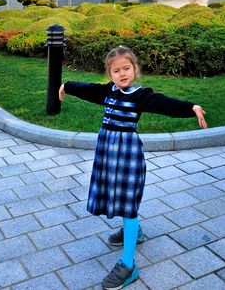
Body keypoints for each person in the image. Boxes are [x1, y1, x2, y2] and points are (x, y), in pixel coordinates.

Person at [59, 45, 207, 290]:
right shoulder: (109, 92)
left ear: (135, 69)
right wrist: (67, 86)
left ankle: (128, 265)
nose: (122, 73)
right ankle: (134, 234)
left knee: (128, 204)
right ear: (110, 74)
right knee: (114, 195)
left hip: (127, 154)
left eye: (126, 68)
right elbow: (88, 89)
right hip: (107, 153)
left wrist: (190, 107)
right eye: (116, 70)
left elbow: (163, 104)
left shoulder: (140, 95)